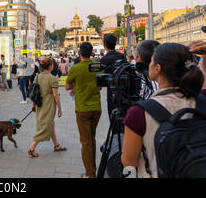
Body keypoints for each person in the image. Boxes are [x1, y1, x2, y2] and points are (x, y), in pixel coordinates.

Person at [121, 43, 204, 178]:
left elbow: (129, 162)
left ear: (157, 68)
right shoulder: (202, 99)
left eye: (152, 60)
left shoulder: (138, 113)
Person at [65, 42, 102, 178]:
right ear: (92, 53)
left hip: (82, 109)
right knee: (92, 139)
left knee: (86, 142)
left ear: (79, 53)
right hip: (97, 108)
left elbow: (67, 87)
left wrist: (76, 85)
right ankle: (93, 169)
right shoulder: (97, 66)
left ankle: (90, 174)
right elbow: (101, 85)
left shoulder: (76, 68)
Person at [28, 58, 66, 157]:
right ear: (50, 66)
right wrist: (60, 109)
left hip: (39, 103)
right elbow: (56, 95)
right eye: (52, 64)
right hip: (48, 104)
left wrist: (34, 105)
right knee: (45, 125)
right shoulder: (53, 78)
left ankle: (56, 145)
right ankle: (32, 148)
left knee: (50, 123)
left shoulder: (38, 77)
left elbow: (34, 91)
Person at [100, 34, 126, 118]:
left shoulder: (104, 59)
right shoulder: (122, 56)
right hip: (123, 88)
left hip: (111, 89)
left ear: (104, 45)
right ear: (115, 44)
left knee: (112, 114)